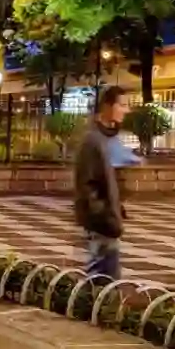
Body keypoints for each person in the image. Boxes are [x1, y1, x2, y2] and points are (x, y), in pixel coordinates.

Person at [73, 85, 131, 278]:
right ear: (107, 106)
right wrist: (103, 214)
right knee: (101, 280)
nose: (126, 110)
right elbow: (86, 184)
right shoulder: (92, 140)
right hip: (102, 223)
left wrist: (116, 208)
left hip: (107, 220)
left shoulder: (105, 139)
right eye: (122, 105)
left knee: (107, 278)